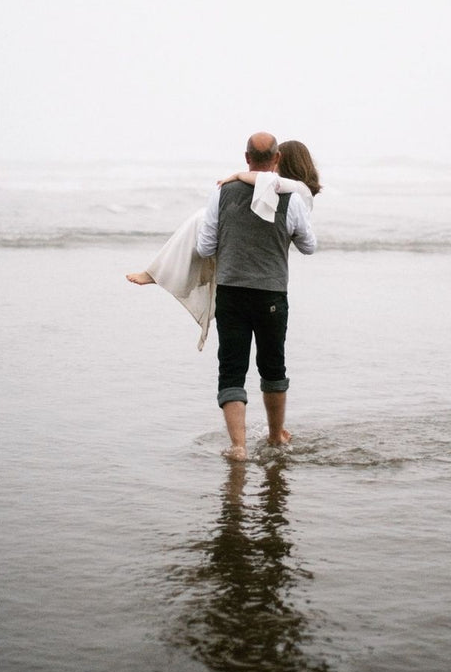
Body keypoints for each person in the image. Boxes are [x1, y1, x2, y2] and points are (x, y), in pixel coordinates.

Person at [126, 139, 320, 351]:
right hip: (259, 254)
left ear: (283, 161)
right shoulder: (287, 189)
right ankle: (162, 273)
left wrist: (238, 176)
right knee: (200, 228)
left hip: (258, 261)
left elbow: (272, 183)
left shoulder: (296, 190)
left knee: (200, 222)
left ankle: (163, 274)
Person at [196, 132, 318, 461]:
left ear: (246, 157)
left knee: (232, 369)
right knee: (272, 367)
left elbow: (204, 246)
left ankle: (238, 446)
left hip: (232, 292)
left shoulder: (222, 193)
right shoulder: (291, 198)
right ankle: (276, 437)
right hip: (272, 294)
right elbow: (309, 245)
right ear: (277, 159)